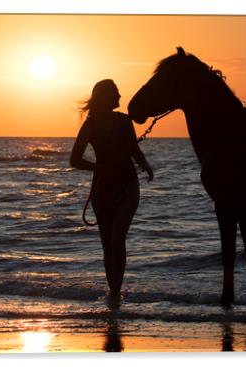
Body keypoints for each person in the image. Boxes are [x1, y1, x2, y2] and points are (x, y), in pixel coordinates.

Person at [70, 79, 153, 305]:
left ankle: (116, 291)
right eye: (116, 93)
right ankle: (114, 294)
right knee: (107, 243)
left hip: (127, 184)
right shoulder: (91, 125)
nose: (120, 97)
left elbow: (133, 148)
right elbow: (74, 159)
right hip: (102, 187)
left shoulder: (124, 121)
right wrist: (98, 167)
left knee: (117, 238)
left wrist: (145, 165)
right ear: (106, 97)